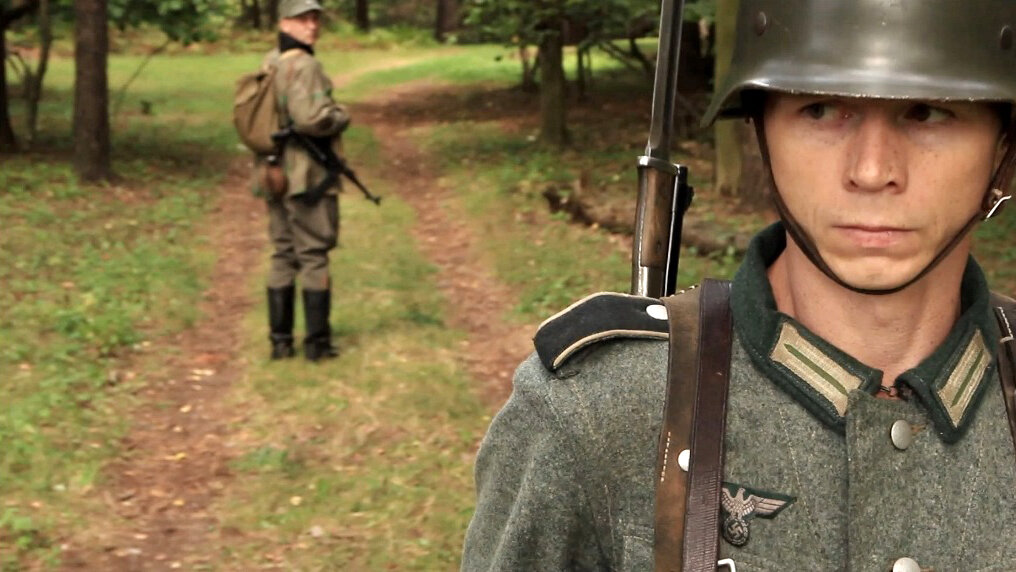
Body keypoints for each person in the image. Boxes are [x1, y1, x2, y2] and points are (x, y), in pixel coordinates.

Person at [462, 1, 1016, 570]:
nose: (872, 172)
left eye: (927, 112)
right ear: (761, 125)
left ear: (1004, 145)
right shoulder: (595, 411)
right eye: (822, 109)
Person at [259, 0, 350, 361]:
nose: (312, 26)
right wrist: (341, 116)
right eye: (302, 19)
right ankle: (317, 345)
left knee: (283, 252)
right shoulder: (306, 64)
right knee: (313, 253)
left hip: (273, 172)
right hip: (306, 174)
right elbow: (312, 119)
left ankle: (280, 342)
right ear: (284, 22)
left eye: (315, 19)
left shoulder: (270, 61)